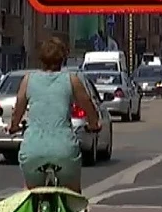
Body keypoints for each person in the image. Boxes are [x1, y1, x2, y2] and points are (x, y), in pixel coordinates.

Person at [7, 37, 101, 193]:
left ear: (41, 59)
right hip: (64, 150)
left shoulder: (28, 80)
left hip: (33, 150)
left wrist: (14, 126)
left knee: (29, 191)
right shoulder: (72, 80)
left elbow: (18, 110)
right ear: (62, 59)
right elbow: (89, 106)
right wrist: (94, 124)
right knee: (73, 194)